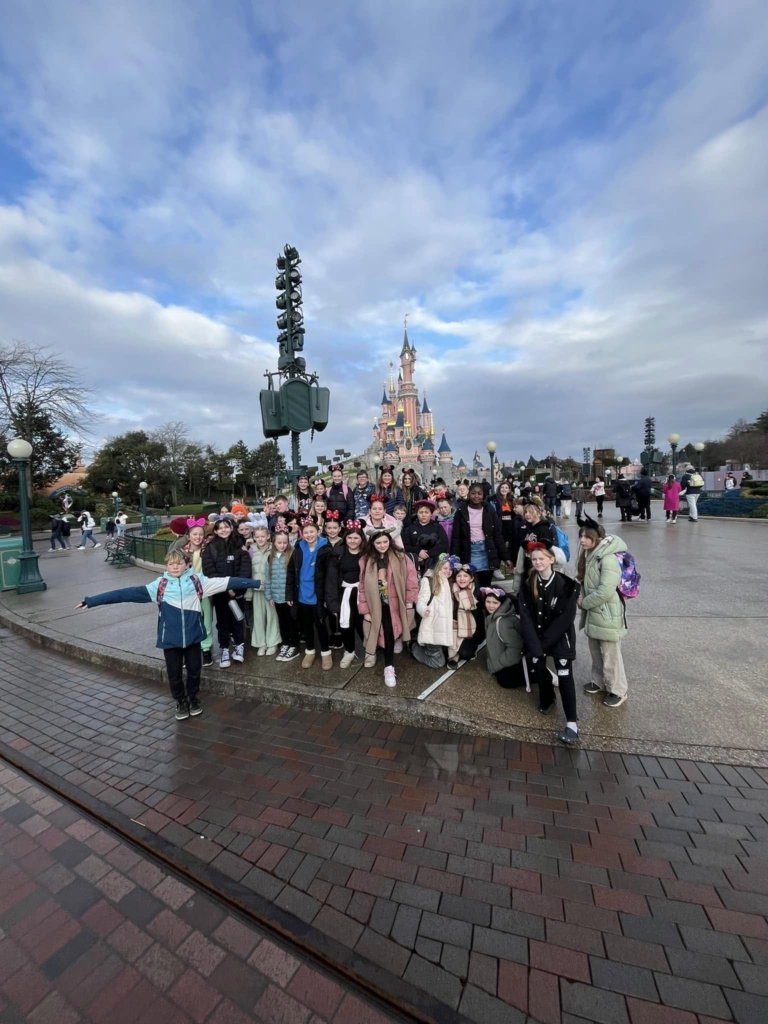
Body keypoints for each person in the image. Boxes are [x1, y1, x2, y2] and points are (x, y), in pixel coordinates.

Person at [75, 547, 261, 720]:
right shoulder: (159, 586)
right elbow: (124, 594)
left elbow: (229, 581)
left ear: (187, 564)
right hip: (170, 639)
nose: (175, 567)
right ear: (166, 566)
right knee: (174, 674)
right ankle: (180, 701)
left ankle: (193, 698)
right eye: (171, 564)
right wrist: (92, 601)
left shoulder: (198, 581)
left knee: (195, 671)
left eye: (179, 563)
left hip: (193, 637)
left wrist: (257, 583)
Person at [518, 540, 580, 745]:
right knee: (539, 666)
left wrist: (542, 645)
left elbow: (565, 619)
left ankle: (572, 723)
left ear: (551, 559)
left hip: (559, 639)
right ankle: (547, 699)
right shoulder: (528, 584)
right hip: (537, 639)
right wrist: (536, 647)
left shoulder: (567, 585)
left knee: (565, 677)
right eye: (534, 559)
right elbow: (525, 616)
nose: (537, 562)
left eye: (541, 558)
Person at [577, 517, 629, 708]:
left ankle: (618, 690)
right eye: (581, 536)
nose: (582, 540)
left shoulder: (607, 558)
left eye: (586, 537)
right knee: (596, 652)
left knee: (610, 655)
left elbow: (606, 590)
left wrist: (585, 603)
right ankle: (599, 681)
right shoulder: (590, 555)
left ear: (597, 538)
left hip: (607, 613)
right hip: (594, 613)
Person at [357, 530, 419, 687]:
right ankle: (388, 665)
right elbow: (362, 587)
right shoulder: (366, 560)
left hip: (396, 602)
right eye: (378, 543)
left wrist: (410, 601)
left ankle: (389, 666)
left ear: (390, 541)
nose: (382, 545)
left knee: (391, 631)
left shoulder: (400, 557)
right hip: (376, 603)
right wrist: (365, 610)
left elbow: (411, 580)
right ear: (372, 543)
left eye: (385, 542)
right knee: (383, 631)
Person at [202, 516, 252, 668]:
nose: (224, 530)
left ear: (231, 528)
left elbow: (245, 569)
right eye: (220, 528)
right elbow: (209, 571)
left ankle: (239, 646)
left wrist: (235, 588)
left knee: (238, 620)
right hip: (220, 593)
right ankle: (224, 649)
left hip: (237, 593)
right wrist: (226, 587)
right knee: (222, 623)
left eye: (226, 527)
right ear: (216, 531)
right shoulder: (211, 548)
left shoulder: (239, 546)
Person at [286, 518, 333, 670]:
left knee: (321, 625)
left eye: (312, 531)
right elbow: (291, 573)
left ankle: (326, 653)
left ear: (318, 532)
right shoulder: (298, 548)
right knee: (306, 626)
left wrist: (327, 597)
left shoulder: (326, 549)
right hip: (302, 594)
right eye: (305, 532)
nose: (309, 535)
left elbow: (330, 576)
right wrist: (290, 595)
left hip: (318, 595)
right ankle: (310, 651)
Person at [173, 518, 215, 667]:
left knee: (206, 620)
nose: (198, 537)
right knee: (189, 621)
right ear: (188, 536)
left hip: (204, 590)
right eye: (194, 534)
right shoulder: (182, 552)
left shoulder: (209, 549)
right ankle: (189, 649)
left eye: (200, 534)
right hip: (188, 591)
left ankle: (206, 648)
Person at [325, 523, 368, 669]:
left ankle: (369, 650)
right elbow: (331, 578)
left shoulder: (367, 554)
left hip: (362, 593)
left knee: (363, 623)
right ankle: (349, 651)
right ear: (345, 538)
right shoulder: (338, 554)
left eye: (356, 538)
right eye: (350, 537)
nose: (353, 541)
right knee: (346, 624)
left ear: (361, 539)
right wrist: (332, 601)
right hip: (345, 594)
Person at [450, 483, 505, 588]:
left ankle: (485, 604)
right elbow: (456, 536)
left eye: (479, 493)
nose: (476, 496)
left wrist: (505, 557)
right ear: (469, 494)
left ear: (483, 495)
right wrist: (454, 557)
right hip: (470, 551)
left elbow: (497, 534)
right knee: (473, 585)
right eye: (473, 493)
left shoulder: (490, 511)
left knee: (486, 586)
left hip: (486, 550)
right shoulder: (461, 512)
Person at [412, 554, 454, 669]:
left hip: (442, 629)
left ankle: (429, 649)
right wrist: (423, 609)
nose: (448, 571)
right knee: (439, 663)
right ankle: (414, 648)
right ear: (438, 567)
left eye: (450, 569)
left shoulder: (447, 581)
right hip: (432, 627)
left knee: (442, 654)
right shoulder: (429, 581)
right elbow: (421, 600)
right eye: (445, 568)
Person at [480, 587, 525, 690]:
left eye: (495, 603)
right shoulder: (492, 617)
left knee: (505, 681)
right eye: (488, 601)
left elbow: (516, 647)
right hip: (502, 661)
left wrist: (500, 663)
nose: (490, 606)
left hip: (507, 663)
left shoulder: (502, 623)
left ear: (502, 603)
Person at [267, 528, 300, 662]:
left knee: (292, 621)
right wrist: (269, 595)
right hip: (276, 596)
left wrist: (291, 596)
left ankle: (294, 645)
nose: (282, 545)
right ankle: (285, 643)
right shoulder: (271, 557)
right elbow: (268, 577)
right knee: (282, 621)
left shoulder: (292, 555)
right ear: (274, 543)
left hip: (288, 597)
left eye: (284, 542)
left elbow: (294, 578)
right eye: (279, 542)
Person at [249, 525, 281, 656]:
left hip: (271, 589)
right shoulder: (250, 550)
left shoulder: (274, 549)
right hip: (256, 588)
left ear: (268, 536)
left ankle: (272, 642)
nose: (260, 539)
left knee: (272, 616)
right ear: (254, 538)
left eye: (263, 536)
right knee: (258, 617)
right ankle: (260, 643)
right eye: (257, 537)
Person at [316, 511, 345, 649]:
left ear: (340, 528)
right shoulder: (322, 544)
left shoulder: (344, 543)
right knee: (327, 609)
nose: (332, 530)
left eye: (335, 528)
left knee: (339, 609)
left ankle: (340, 635)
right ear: (324, 529)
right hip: (325, 581)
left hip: (340, 582)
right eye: (329, 528)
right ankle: (332, 634)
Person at [401, 499, 449, 579]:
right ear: (417, 513)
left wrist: (428, 554)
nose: (423, 515)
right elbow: (405, 545)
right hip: (415, 563)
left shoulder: (437, 527)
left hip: (434, 562)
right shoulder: (410, 528)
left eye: (426, 512)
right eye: (421, 512)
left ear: (431, 513)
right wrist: (418, 552)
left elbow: (444, 544)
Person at [447, 561, 478, 667]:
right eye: (459, 576)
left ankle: (466, 647)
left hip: (469, 630)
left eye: (465, 576)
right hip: (452, 626)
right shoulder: (450, 589)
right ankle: (452, 656)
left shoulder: (475, 592)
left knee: (466, 654)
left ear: (472, 578)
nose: (462, 578)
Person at [489, 482, 515, 564]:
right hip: (499, 525)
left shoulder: (512, 499)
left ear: (509, 489)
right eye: (502, 487)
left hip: (510, 525)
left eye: (506, 488)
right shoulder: (493, 500)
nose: (504, 489)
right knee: (499, 544)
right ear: (499, 489)